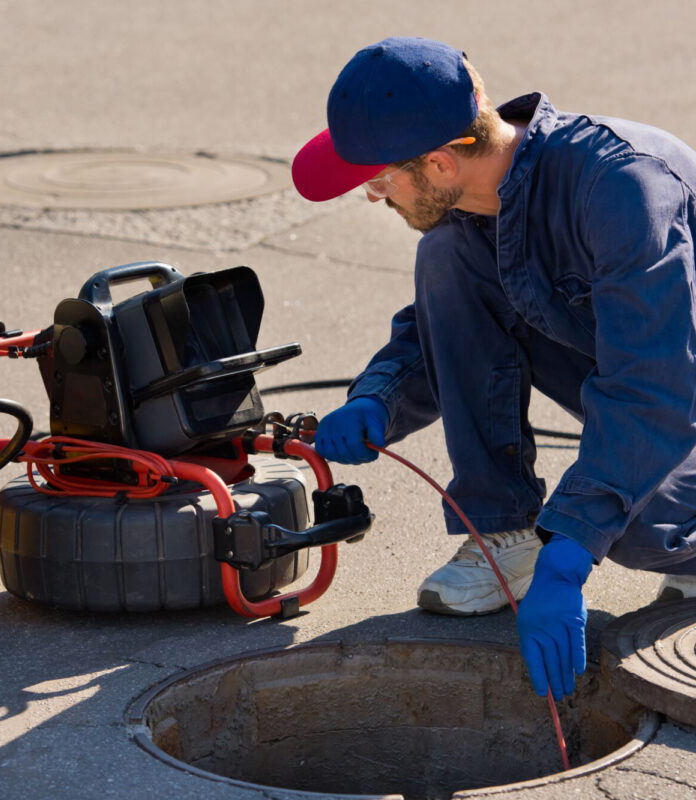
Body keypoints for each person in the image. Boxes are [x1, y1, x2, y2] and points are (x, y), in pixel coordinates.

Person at [292, 36, 696, 703]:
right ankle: (504, 534)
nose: (370, 196)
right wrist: (379, 400)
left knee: (630, 530)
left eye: (378, 178)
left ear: (441, 162)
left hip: (673, 387)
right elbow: (454, 322)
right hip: (658, 380)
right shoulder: (489, 198)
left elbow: (652, 387)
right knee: (447, 255)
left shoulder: (624, 191)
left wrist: (569, 551)